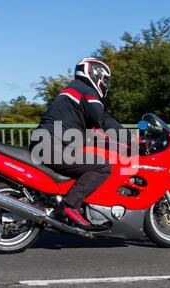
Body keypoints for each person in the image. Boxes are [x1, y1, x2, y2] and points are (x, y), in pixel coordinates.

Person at [29, 57, 127, 228]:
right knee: (102, 167)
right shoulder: (87, 91)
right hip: (52, 145)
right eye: (104, 79)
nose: (105, 84)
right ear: (95, 74)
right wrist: (129, 138)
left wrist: (116, 143)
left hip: (48, 143)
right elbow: (102, 119)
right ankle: (69, 206)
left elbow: (94, 133)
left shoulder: (75, 90)